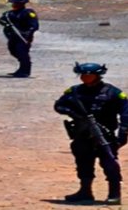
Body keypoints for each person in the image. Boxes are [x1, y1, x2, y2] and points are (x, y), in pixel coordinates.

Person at [54, 62, 128, 205]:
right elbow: (59, 105)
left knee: (109, 163)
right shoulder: (75, 91)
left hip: (104, 135)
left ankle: (114, 193)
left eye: (88, 75)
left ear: (97, 76)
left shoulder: (113, 93)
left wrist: (123, 133)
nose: (84, 78)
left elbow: (126, 113)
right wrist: (72, 113)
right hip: (81, 134)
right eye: (83, 75)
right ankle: (85, 191)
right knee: (83, 162)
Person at [0, 0, 39, 78]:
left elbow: (34, 25)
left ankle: (25, 70)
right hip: (13, 36)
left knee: (22, 52)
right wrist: (6, 24)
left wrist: (28, 33)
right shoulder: (10, 13)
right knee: (13, 50)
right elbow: (1, 20)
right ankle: (21, 67)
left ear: (21, 4)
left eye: (15, 3)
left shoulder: (28, 13)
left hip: (23, 37)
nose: (13, 5)